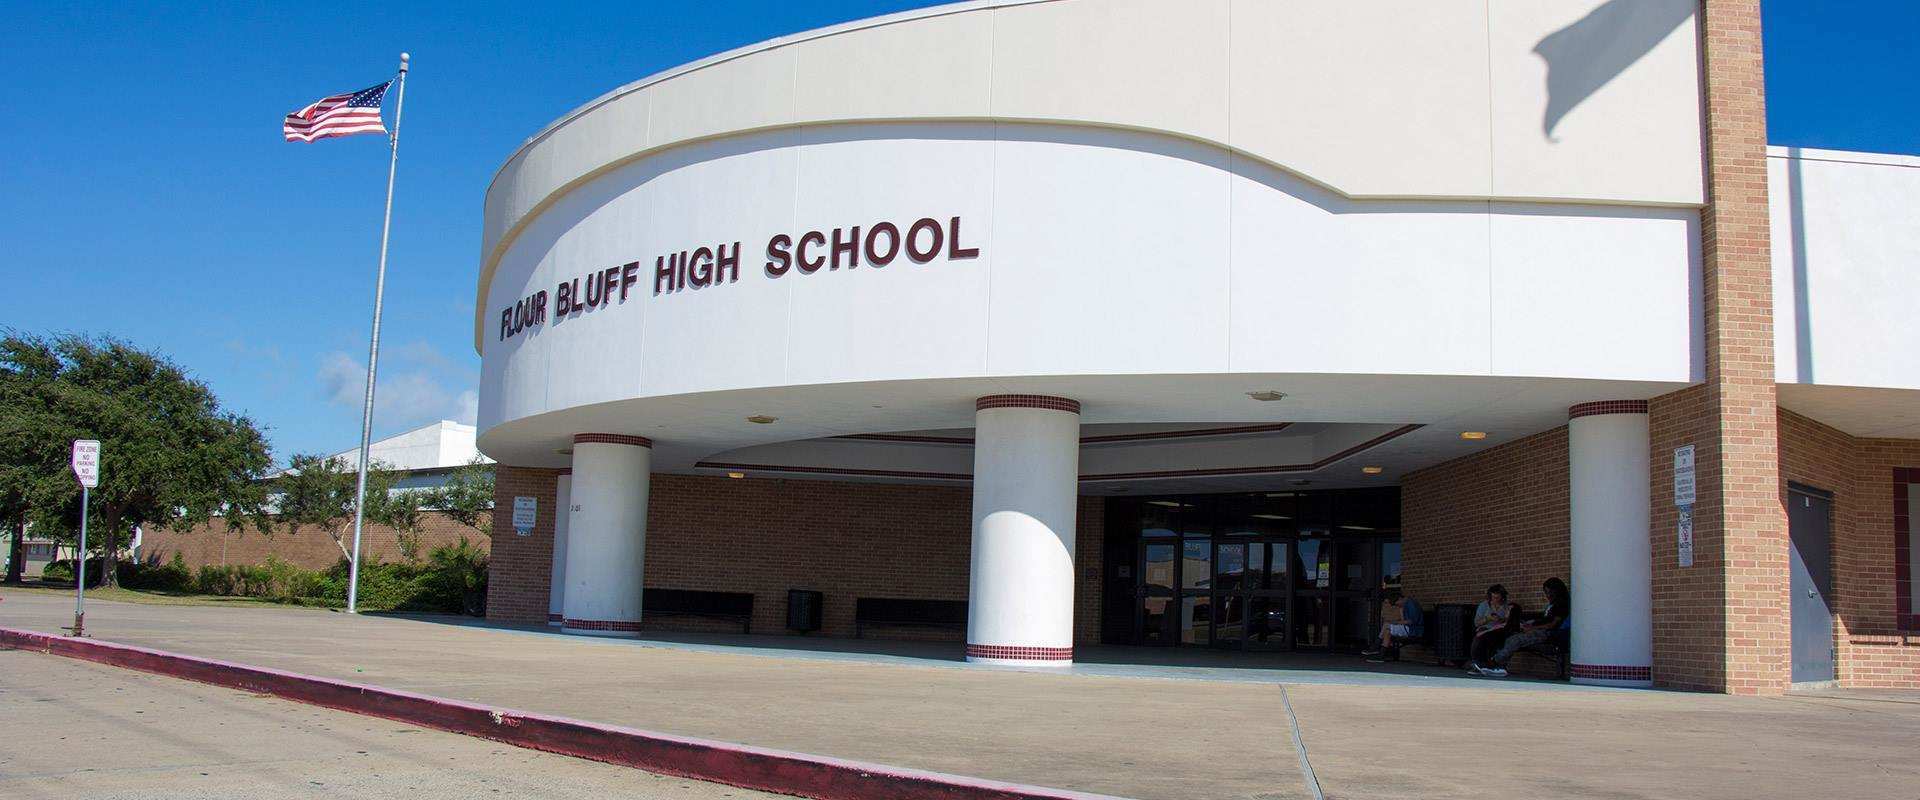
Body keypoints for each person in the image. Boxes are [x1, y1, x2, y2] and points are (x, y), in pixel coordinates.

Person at [1472, 577, 1570, 677]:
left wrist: (1531, 628)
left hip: (1549, 633)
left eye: (1550, 592)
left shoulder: (1561, 605)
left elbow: (1552, 625)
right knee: (1510, 638)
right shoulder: (1551, 605)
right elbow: (1545, 619)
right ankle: (1498, 666)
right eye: (1546, 592)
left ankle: (1494, 664)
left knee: (1516, 639)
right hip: (1539, 629)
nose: (1547, 595)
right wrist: (1530, 623)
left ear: (1557, 591)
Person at [1362, 588, 1423, 662]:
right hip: (1408, 628)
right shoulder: (1404, 605)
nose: (1397, 605)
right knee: (1387, 631)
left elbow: (1412, 621)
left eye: (1397, 603)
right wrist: (1401, 610)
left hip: (1413, 630)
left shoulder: (1411, 604)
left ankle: (1375, 647)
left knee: (1386, 625)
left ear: (1400, 599)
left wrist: (1396, 623)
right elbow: (1403, 619)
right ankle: (1381, 655)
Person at [1467, 584, 1517, 668]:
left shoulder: (1506, 606)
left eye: (1498, 598)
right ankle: (1478, 662)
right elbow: (1476, 623)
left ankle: (1490, 663)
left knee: (1495, 638)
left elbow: (1509, 622)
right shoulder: (1484, 605)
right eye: (1493, 598)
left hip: (1499, 631)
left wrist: (1501, 620)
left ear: (1502, 596)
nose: (1496, 600)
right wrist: (1488, 618)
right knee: (1480, 637)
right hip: (1485, 629)